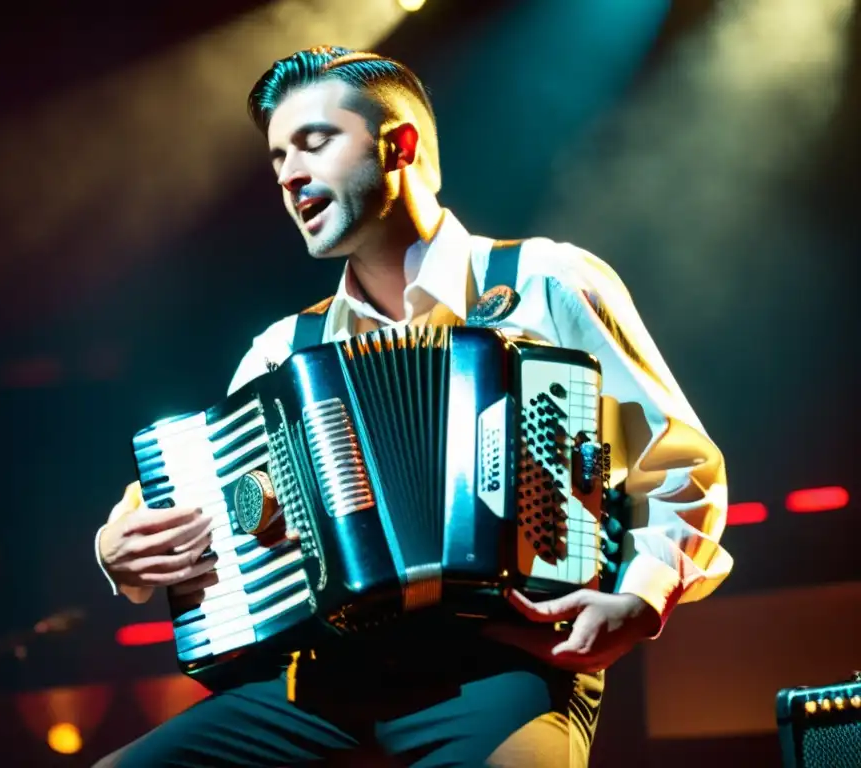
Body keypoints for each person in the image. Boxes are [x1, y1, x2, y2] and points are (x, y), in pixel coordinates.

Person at [92, 46, 732, 767]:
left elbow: (680, 465)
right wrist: (122, 548)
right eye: (276, 158)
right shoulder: (282, 350)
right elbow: (191, 491)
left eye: (314, 142)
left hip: (504, 668)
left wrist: (642, 601)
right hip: (321, 682)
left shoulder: (545, 282)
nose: (288, 175)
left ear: (399, 147)